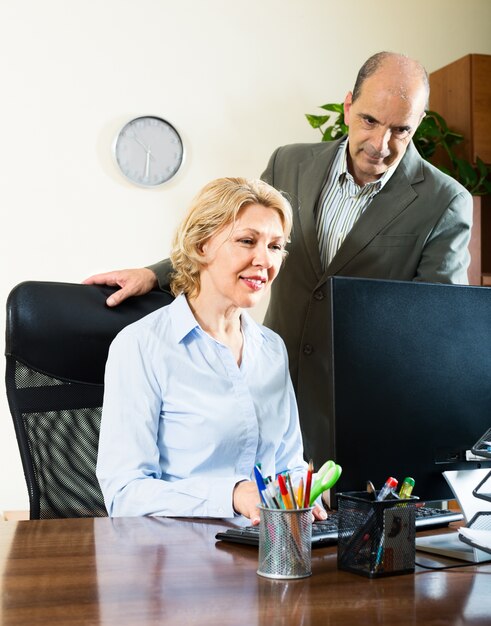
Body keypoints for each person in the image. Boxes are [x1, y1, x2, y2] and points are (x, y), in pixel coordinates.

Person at [87, 52, 473, 468]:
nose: (380, 145)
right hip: (269, 380)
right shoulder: (289, 163)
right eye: (369, 121)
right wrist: (153, 273)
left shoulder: (444, 201)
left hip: (363, 405)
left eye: (401, 130)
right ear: (347, 106)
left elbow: (437, 330)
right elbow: (237, 235)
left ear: (419, 124)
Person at [96, 177, 327, 522]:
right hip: (176, 558)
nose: (264, 260)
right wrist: (232, 495)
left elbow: (288, 463)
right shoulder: (142, 345)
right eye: (247, 241)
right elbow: (125, 493)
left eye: (276, 246)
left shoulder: (271, 349)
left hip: (267, 549)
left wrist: (301, 494)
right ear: (202, 245)